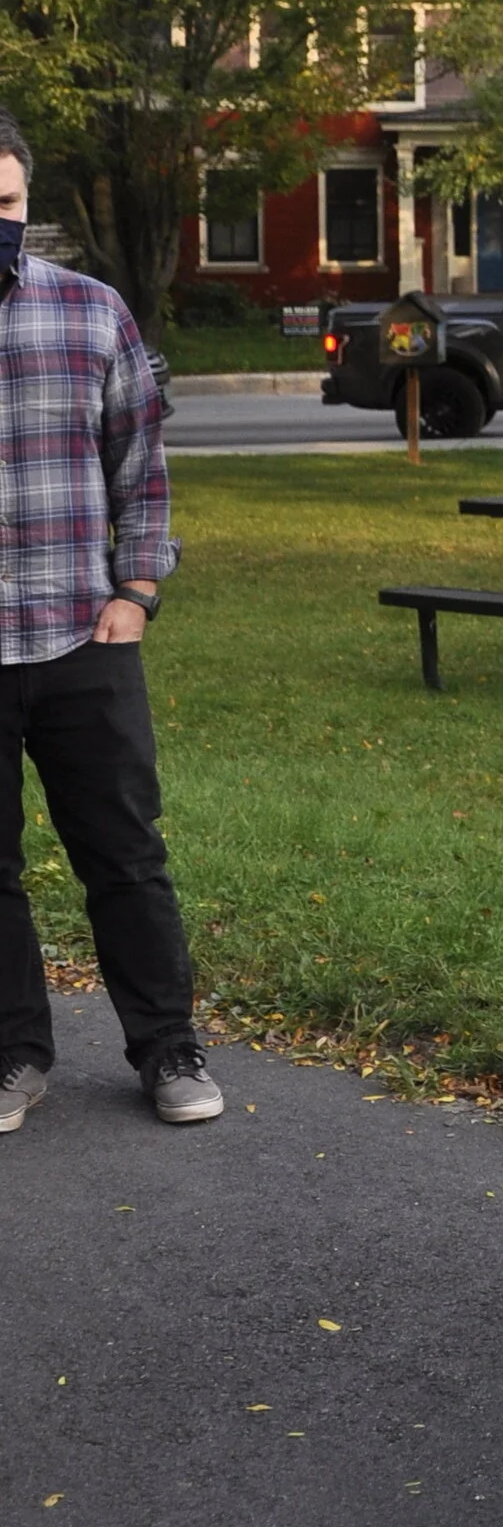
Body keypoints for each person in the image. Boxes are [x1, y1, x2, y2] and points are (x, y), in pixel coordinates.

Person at [0, 112, 221, 1140]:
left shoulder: (93, 315)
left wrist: (136, 591)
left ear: (27, 202)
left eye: (2, 205)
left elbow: (145, 471)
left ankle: (167, 1046)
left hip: (84, 635)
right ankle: (15, 1050)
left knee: (125, 854)